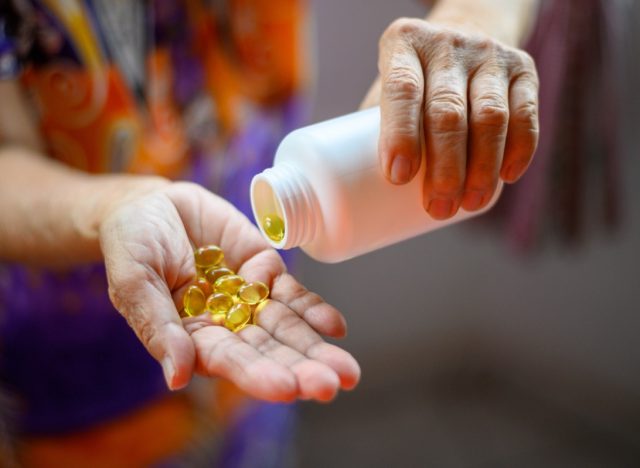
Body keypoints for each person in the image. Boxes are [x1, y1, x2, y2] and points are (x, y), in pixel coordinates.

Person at [0, 0, 539, 466]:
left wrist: (476, 21)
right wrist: (115, 206)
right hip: (58, 382)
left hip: (241, 346)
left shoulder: (296, 229)